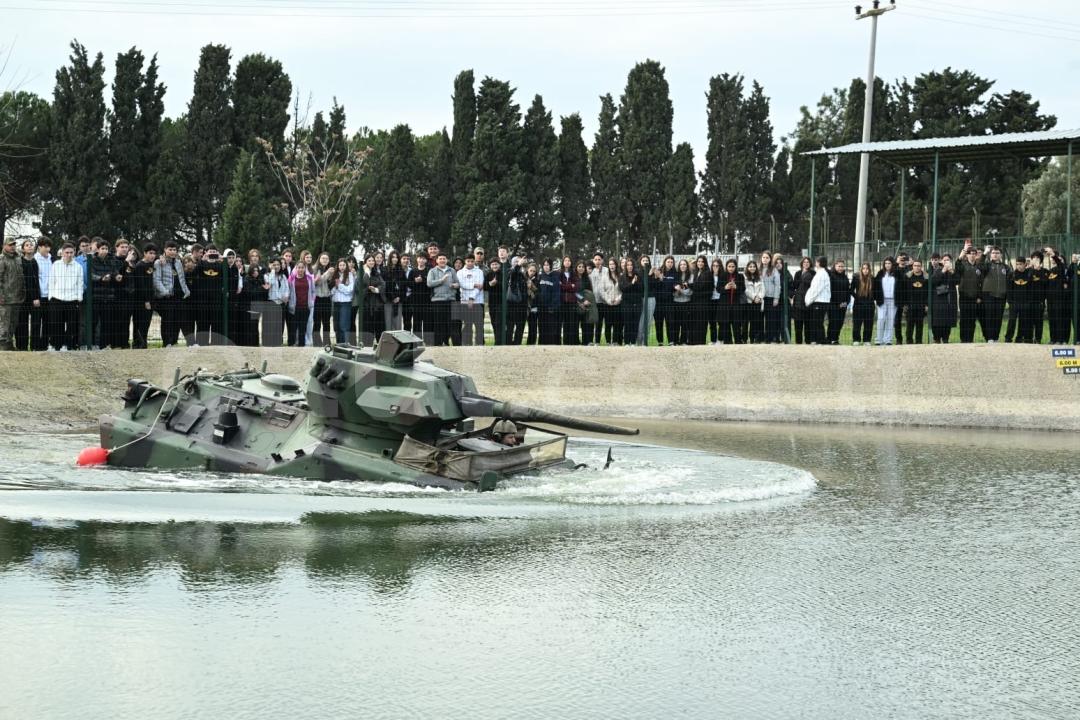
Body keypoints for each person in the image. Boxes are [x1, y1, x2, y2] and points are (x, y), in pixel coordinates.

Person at [153, 240, 190, 347]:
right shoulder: (159, 262)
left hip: (179, 296)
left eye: (174, 250)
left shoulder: (178, 262)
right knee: (167, 320)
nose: (173, 252)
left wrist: (186, 291)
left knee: (181, 320)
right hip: (167, 297)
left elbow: (182, 278)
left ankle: (176, 342)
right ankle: (167, 343)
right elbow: (156, 280)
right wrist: (165, 292)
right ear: (165, 250)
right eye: (170, 249)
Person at [48, 242, 83, 351]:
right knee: (56, 324)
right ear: (62, 253)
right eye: (66, 252)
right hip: (57, 299)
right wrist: (51, 296)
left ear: (74, 253)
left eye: (71, 252)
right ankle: (55, 345)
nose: (69, 254)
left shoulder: (78, 266)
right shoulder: (56, 265)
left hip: (72, 300)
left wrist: (79, 298)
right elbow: (51, 281)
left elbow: (80, 283)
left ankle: (67, 345)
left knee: (71, 325)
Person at [978, 246, 1010, 343]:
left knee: (998, 317)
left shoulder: (1005, 267)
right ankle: (990, 338)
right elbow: (980, 266)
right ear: (990, 255)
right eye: (993, 253)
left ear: (1001, 255)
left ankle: (996, 338)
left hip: (1001, 296)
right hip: (989, 295)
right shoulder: (987, 265)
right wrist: (984, 254)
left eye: (997, 253)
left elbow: (1010, 279)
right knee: (989, 317)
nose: (995, 255)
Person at [426, 253, 456, 346]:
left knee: (449, 323)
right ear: (437, 261)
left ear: (446, 260)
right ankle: (438, 344)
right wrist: (441, 280)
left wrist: (455, 285)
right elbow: (429, 283)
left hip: (450, 300)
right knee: (439, 323)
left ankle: (446, 342)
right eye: (440, 259)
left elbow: (458, 283)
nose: (442, 260)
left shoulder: (452, 270)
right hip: (437, 300)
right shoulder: (432, 271)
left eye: (444, 258)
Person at [0, 237, 25, 350]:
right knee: (4, 324)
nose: (13, 246)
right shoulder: (2, 259)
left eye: (14, 244)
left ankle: (9, 345)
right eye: (10, 245)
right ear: (4, 246)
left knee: (13, 324)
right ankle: (3, 347)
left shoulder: (18, 258)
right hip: (5, 299)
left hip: (17, 298)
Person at [13, 240, 38, 351]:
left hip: (33, 298)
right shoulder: (19, 262)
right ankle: (21, 347)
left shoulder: (34, 262)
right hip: (21, 297)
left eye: (31, 245)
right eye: (27, 245)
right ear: (23, 249)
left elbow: (36, 281)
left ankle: (34, 346)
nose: (29, 247)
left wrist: (36, 297)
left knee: (35, 323)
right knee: (21, 323)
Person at [131, 244, 157, 349]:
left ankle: (143, 342)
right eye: (150, 253)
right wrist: (146, 300)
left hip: (150, 299)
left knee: (146, 322)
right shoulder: (140, 266)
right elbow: (140, 285)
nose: (152, 256)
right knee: (139, 322)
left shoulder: (151, 265)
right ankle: (138, 343)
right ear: (145, 253)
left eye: (154, 253)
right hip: (141, 300)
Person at [456, 254, 486, 346]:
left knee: (479, 325)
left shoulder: (479, 272)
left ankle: (480, 345)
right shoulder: (460, 272)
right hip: (465, 301)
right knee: (467, 325)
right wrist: (473, 285)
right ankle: (467, 345)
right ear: (465, 261)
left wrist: (472, 297)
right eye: (468, 261)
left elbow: (480, 286)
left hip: (478, 301)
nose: (470, 263)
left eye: (472, 261)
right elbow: (462, 285)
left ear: (474, 261)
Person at [1044, 248, 1071, 345]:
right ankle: (1053, 339)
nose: (1054, 260)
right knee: (1052, 319)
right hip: (1050, 299)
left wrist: (1052, 254)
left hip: (1060, 299)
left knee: (1059, 319)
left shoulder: (1062, 268)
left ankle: (1060, 340)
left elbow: (1060, 264)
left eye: (1058, 259)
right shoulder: (1051, 271)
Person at [358, 255, 386, 346]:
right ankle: (367, 346)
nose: (372, 262)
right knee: (367, 327)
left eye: (372, 261)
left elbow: (383, 284)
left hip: (377, 305)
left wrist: (376, 290)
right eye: (369, 260)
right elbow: (362, 285)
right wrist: (366, 273)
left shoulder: (376, 273)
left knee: (379, 327)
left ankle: (381, 347)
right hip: (366, 305)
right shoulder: (361, 272)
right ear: (365, 262)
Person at [930, 254, 958, 343]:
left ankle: (946, 338)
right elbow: (934, 281)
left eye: (948, 260)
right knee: (938, 321)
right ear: (941, 261)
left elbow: (958, 281)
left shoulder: (952, 271)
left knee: (948, 320)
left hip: (949, 299)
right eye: (944, 260)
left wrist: (952, 272)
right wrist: (943, 271)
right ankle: (937, 338)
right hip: (939, 300)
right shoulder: (938, 270)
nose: (946, 262)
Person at [715, 258, 744, 345]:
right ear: (726, 267)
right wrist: (725, 288)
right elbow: (718, 289)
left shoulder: (740, 276)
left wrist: (736, 287)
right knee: (725, 325)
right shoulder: (722, 276)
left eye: (733, 266)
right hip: (724, 305)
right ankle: (728, 343)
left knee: (736, 326)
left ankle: (738, 342)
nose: (731, 268)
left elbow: (743, 289)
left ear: (736, 267)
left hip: (736, 305)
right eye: (729, 266)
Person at [288, 259, 316, 347]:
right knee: (294, 327)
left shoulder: (309, 278)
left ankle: (301, 344)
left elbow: (313, 291)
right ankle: (292, 344)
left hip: (306, 306)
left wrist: (312, 301)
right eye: (298, 267)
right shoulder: (291, 278)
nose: (300, 269)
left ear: (305, 269)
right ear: (296, 268)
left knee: (303, 327)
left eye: (302, 268)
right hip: (294, 307)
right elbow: (288, 291)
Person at [804, 256, 831, 345]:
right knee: (816, 322)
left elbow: (816, 289)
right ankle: (816, 340)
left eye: (816, 261)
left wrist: (808, 300)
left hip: (820, 301)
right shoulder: (820, 273)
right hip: (819, 301)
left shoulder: (822, 274)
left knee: (817, 322)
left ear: (819, 263)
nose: (815, 263)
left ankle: (821, 340)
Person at [594, 257, 622, 345]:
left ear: (616, 265)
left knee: (617, 324)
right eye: (610, 264)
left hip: (618, 304)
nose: (612, 266)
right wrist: (609, 300)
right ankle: (608, 342)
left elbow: (623, 290)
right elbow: (602, 290)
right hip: (608, 304)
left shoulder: (620, 276)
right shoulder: (605, 276)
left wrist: (618, 299)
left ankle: (615, 342)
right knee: (608, 324)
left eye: (613, 264)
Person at [873, 256, 900, 346]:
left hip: (893, 301)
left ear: (892, 264)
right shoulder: (880, 274)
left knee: (890, 320)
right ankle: (878, 340)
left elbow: (901, 287)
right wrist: (876, 298)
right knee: (881, 319)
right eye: (886, 263)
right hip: (882, 300)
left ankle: (888, 340)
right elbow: (875, 287)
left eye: (889, 263)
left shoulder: (897, 274)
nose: (887, 265)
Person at [328, 258, 355, 345]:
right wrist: (336, 287)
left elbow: (349, 290)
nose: (342, 267)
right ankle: (338, 345)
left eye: (344, 265)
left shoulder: (350, 275)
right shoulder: (334, 275)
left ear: (346, 266)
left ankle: (345, 344)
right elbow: (331, 291)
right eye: (340, 265)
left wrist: (339, 285)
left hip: (346, 303)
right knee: (336, 326)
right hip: (336, 303)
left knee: (344, 325)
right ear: (337, 266)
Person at [263, 258, 289, 347]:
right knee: (272, 324)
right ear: (270, 266)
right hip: (272, 302)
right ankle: (271, 343)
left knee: (280, 323)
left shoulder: (283, 276)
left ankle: (279, 342)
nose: (277, 266)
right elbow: (271, 283)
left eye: (278, 264)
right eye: (274, 265)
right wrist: (273, 272)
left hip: (281, 303)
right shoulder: (267, 275)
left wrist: (286, 296)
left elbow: (287, 288)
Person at [1003, 255, 1028, 343]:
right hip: (1014, 302)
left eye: (1021, 264)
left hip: (1025, 302)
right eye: (1017, 264)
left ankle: (1019, 337)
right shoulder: (1012, 275)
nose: (1019, 266)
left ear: (1025, 264)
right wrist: (1010, 301)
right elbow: (1009, 289)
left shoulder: (1028, 274)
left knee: (1023, 321)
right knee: (1012, 320)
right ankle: (1008, 337)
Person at [653, 255, 677, 346]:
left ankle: (671, 341)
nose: (670, 264)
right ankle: (660, 342)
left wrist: (676, 287)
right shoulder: (659, 272)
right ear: (665, 262)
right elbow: (654, 286)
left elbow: (675, 286)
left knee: (670, 323)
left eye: (671, 262)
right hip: (658, 303)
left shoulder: (675, 273)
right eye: (668, 262)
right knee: (658, 323)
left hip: (669, 302)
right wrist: (658, 279)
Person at [904, 259, 929, 344]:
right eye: (915, 265)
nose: (916, 267)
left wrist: (926, 305)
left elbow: (928, 293)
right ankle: (909, 341)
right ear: (912, 267)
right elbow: (904, 292)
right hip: (910, 306)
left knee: (919, 325)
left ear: (921, 267)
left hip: (921, 306)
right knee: (909, 326)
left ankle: (919, 342)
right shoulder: (908, 277)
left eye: (918, 266)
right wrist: (905, 304)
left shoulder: (926, 278)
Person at [849, 262, 875, 346]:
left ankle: (866, 340)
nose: (865, 270)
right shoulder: (856, 277)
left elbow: (876, 291)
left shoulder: (872, 278)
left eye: (867, 268)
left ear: (869, 270)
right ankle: (856, 339)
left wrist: (872, 298)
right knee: (857, 323)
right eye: (863, 268)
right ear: (861, 269)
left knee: (869, 323)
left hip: (869, 304)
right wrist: (857, 297)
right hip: (858, 304)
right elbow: (851, 290)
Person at [409, 254, 432, 345]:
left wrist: (423, 279)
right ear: (417, 259)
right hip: (416, 300)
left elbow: (431, 283)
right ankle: (416, 342)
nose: (421, 260)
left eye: (423, 259)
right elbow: (408, 284)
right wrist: (415, 281)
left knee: (427, 322)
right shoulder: (413, 271)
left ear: (426, 260)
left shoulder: (429, 271)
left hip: (427, 300)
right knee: (416, 322)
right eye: (420, 258)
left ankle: (428, 342)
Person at [825, 260, 849, 345]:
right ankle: (829, 339)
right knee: (833, 322)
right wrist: (837, 303)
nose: (841, 268)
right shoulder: (831, 276)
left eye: (842, 266)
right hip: (833, 304)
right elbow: (830, 291)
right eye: (839, 266)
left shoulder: (845, 277)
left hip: (843, 304)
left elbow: (847, 291)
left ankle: (835, 339)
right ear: (835, 266)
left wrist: (846, 302)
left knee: (840, 322)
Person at [689, 255, 712, 345]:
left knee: (701, 323)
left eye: (702, 261)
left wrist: (689, 285)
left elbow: (700, 286)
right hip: (695, 302)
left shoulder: (707, 273)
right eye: (698, 261)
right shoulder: (696, 272)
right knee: (694, 322)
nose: (700, 263)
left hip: (703, 302)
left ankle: (701, 342)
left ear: (705, 263)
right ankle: (693, 342)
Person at [557, 256, 580, 345]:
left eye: (569, 260)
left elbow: (576, 286)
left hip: (572, 302)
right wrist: (570, 286)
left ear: (571, 262)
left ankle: (572, 342)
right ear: (563, 262)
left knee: (572, 322)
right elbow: (559, 286)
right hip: (562, 302)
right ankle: (565, 342)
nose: (567, 262)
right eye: (565, 260)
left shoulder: (574, 273)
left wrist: (564, 286)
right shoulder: (559, 273)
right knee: (564, 323)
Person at [312, 252, 333, 346]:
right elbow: (317, 282)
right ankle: (316, 342)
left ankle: (327, 342)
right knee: (316, 321)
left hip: (327, 298)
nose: (325, 260)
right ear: (319, 259)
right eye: (323, 258)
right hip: (317, 298)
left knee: (326, 322)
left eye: (326, 259)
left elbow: (332, 285)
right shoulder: (314, 269)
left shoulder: (331, 270)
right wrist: (327, 273)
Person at [537, 259, 560, 345]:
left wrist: (552, 306)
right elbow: (537, 291)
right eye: (544, 265)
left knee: (550, 327)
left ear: (550, 266)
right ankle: (541, 344)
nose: (546, 266)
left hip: (550, 308)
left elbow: (556, 293)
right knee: (542, 326)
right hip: (541, 307)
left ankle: (551, 344)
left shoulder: (555, 277)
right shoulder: (540, 276)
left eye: (547, 265)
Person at [382, 250, 405, 333]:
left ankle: (398, 344)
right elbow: (384, 286)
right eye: (393, 257)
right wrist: (392, 297)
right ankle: (389, 344)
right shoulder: (384, 270)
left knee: (398, 324)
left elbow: (404, 286)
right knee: (388, 324)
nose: (395, 259)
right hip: (388, 300)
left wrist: (399, 297)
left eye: (396, 257)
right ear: (390, 258)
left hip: (398, 301)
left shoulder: (401, 271)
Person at [671, 258, 693, 345]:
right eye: (681, 264)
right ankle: (675, 341)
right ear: (678, 266)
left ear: (687, 266)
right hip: (676, 302)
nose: (682, 266)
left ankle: (683, 341)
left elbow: (690, 292)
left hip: (686, 302)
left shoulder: (691, 276)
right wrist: (677, 292)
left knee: (685, 323)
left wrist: (681, 291)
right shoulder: (676, 276)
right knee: (676, 323)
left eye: (684, 264)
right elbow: (673, 293)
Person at [762, 254, 782, 343]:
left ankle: (771, 338)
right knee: (761, 319)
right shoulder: (758, 269)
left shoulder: (774, 270)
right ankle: (762, 338)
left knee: (771, 319)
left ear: (770, 259)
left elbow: (778, 285)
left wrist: (776, 298)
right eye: (763, 257)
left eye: (767, 258)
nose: (765, 259)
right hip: (761, 298)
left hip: (771, 298)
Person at [791, 257, 813, 344]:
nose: (806, 263)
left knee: (808, 324)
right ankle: (798, 342)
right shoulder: (798, 273)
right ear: (802, 263)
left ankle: (808, 342)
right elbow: (794, 286)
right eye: (804, 262)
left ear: (810, 264)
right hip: (798, 302)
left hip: (808, 301)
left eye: (808, 262)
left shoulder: (813, 273)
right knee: (798, 325)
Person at [576, 260, 597, 345]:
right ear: (576, 268)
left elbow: (589, 292)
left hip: (586, 305)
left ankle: (587, 342)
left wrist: (586, 302)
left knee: (586, 325)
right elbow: (573, 291)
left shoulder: (587, 279)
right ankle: (576, 343)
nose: (581, 268)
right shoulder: (573, 278)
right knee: (575, 326)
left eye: (583, 267)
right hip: (576, 304)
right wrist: (581, 301)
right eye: (579, 266)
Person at [743, 260, 764, 344]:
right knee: (745, 322)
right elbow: (746, 290)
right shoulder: (744, 277)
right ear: (747, 268)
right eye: (750, 266)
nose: (752, 268)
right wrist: (754, 297)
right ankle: (744, 339)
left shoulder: (760, 277)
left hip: (757, 303)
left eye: (754, 266)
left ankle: (753, 339)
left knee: (755, 322)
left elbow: (763, 289)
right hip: (748, 302)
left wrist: (759, 297)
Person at [524, 262, 540, 345]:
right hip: (523, 306)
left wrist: (531, 291)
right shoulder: (523, 279)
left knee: (533, 327)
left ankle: (531, 344)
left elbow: (538, 294)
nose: (532, 272)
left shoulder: (537, 280)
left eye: (534, 271)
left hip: (533, 307)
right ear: (527, 270)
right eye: (531, 270)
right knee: (520, 327)